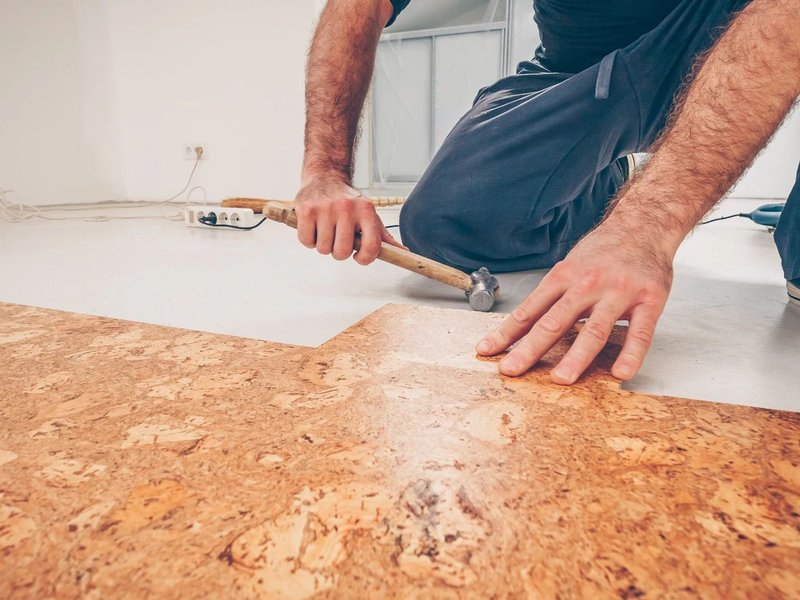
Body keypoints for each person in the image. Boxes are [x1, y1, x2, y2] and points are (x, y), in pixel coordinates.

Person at [294, 0, 800, 384]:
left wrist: (643, 229)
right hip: (578, 68)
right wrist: (325, 170)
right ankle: (605, 180)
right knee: (445, 222)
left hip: (734, 30)